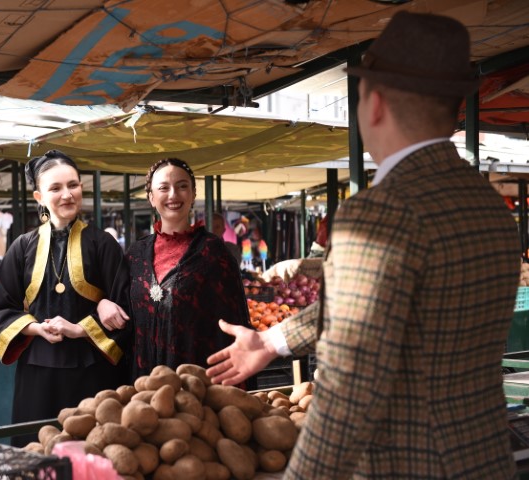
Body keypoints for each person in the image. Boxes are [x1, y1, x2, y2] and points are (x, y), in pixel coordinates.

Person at [206, 11, 520, 479]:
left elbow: (347, 388)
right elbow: (378, 307)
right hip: (484, 459)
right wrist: (271, 341)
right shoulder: (489, 205)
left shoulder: (377, 213)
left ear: (373, 104)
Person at [0, 150, 132, 447]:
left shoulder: (103, 244)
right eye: (55, 188)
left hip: (94, 372)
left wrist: (81, 327)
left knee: (94, 451)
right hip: (37, 373)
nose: (67, 194)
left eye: (73, 185)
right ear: (39, 196)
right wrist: (36, 328)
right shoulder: (22, 247)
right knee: (37, 450)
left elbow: (127, 309)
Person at [125, 158, 253, 381]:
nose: (173, 194)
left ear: (193, 194)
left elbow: (234, 323)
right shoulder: (135, 255)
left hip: (196, 383)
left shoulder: (214, 253)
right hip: (142, 385)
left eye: (182, 186)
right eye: (163, 188)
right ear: (151, 197)